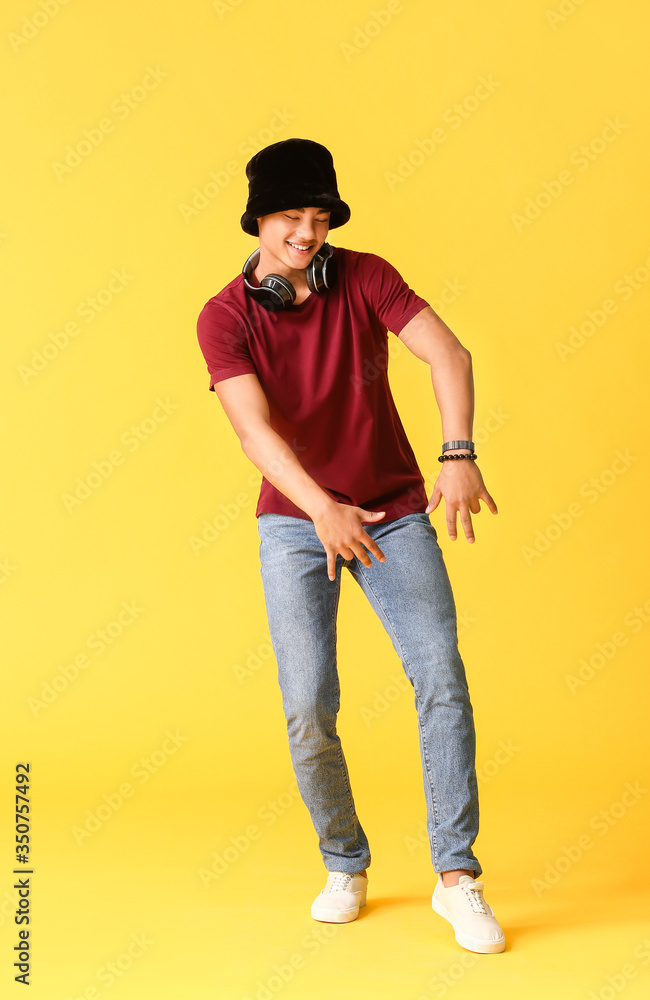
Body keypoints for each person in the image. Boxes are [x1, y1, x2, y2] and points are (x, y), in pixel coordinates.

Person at [196, 137, 505, 955]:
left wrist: (459, 451)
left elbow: (449, 353)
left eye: (319, 216)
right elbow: (253, 433)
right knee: (308, 705)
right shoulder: (224, 317)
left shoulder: (365, 275)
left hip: (395, 509)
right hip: (296, 520)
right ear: (258, 221)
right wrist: (321, 508)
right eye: (290, 216)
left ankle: (456, 878)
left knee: (439, 674)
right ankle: (344, 862)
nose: (306, 232)